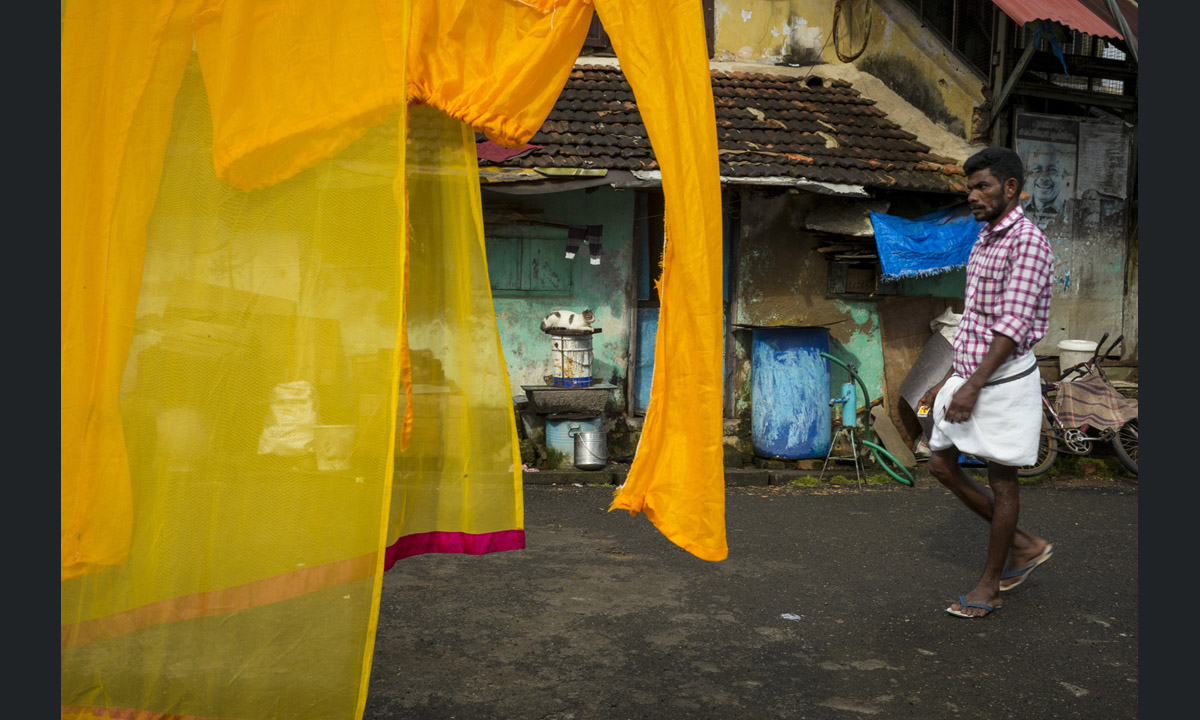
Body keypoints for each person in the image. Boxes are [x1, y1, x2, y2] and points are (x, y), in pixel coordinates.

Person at [917, 146, 1056, 619]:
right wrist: (949, 379)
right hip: (973, 376)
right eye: (970, 187)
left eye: (983, 187)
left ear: (1011, 188)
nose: (973, 196)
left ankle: (989, 587)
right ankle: (1025, 546)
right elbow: (975, 320)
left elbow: (1011, 326)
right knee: (940, 464)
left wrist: (972, 386)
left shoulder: (1027, 242)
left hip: (1004, 382)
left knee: (1003, 480)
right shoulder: (984, 240)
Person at [1022, 143, 1068, 228]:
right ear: (1027, 176)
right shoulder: (1019, 209)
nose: (1043, 177)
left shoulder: (1069, 211)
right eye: (1037, 170)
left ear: (1063, 177)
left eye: (1052, 170)